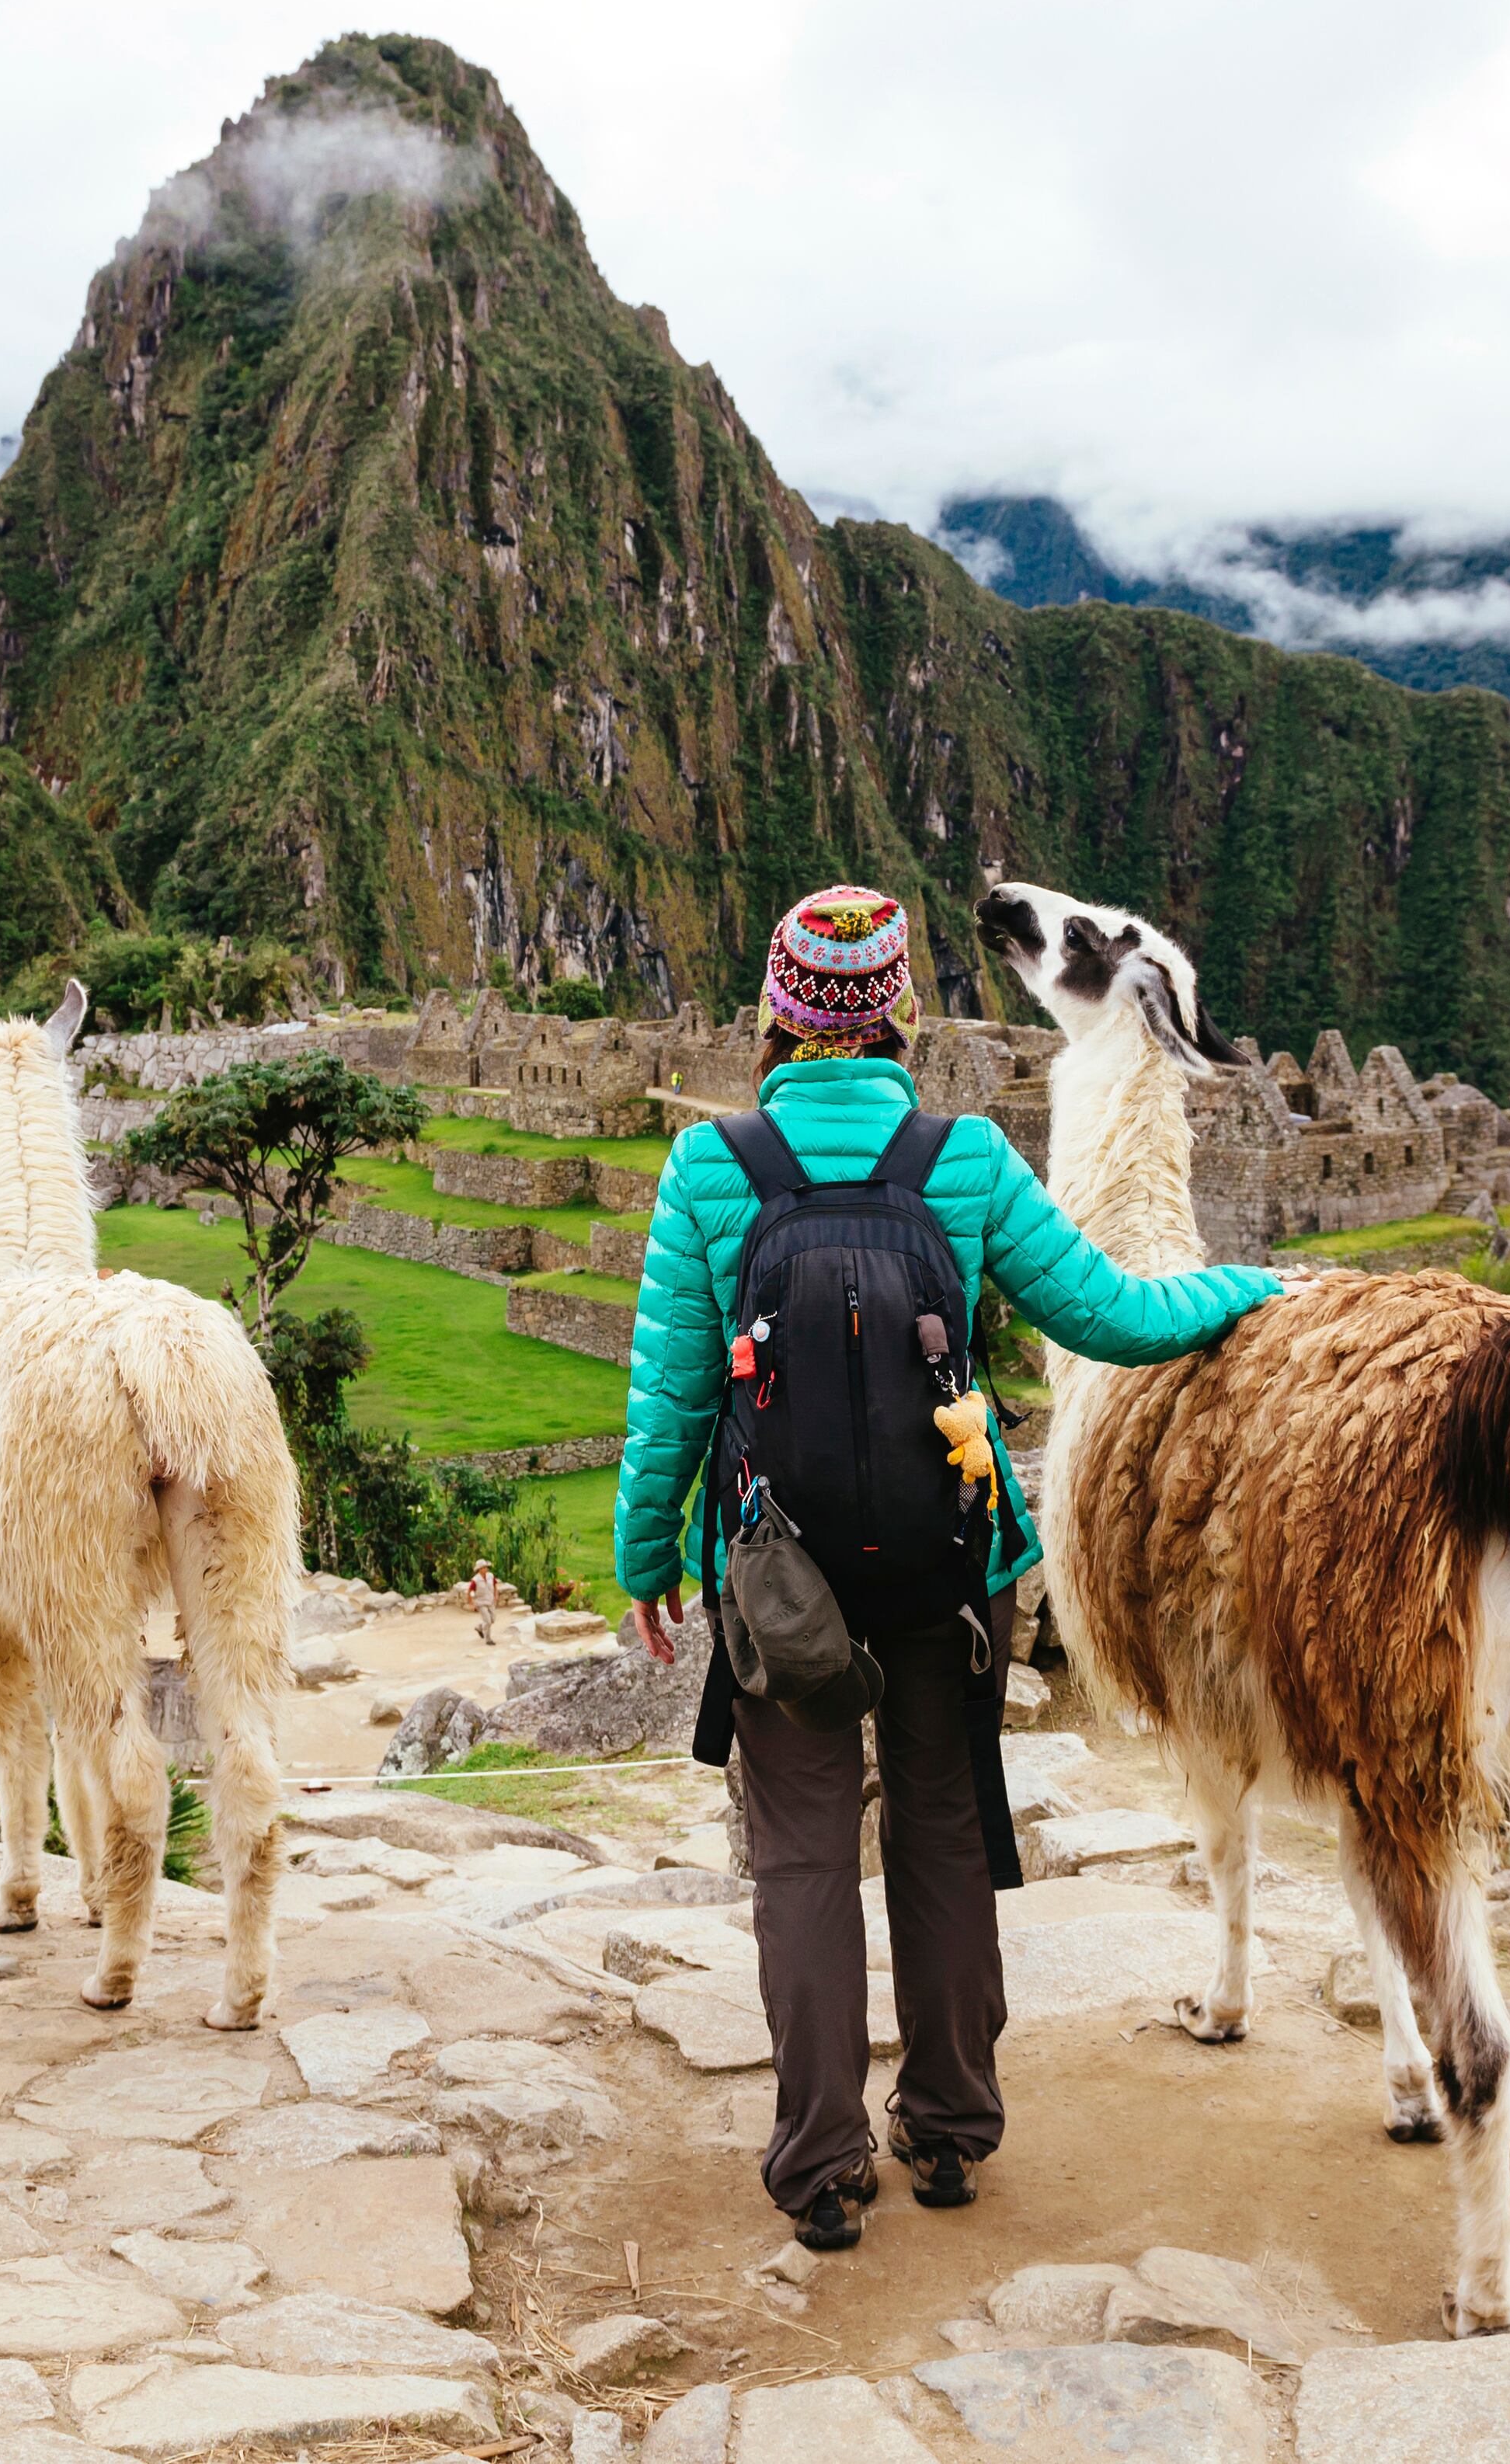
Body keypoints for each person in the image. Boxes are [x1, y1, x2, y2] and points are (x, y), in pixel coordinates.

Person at [610, 885, 1288, 2254]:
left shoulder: (710, 1170)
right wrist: (1252, 1290)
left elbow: (673, 1397)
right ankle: (951, 2128)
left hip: (775, 1576)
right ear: (899, 1009)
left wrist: (644, 1554)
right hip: (945, 1567)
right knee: (941, 1835)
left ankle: (818, 2166)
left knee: (801, 1857)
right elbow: (1113, 1312)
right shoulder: (965, 1158)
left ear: (779, 1008)